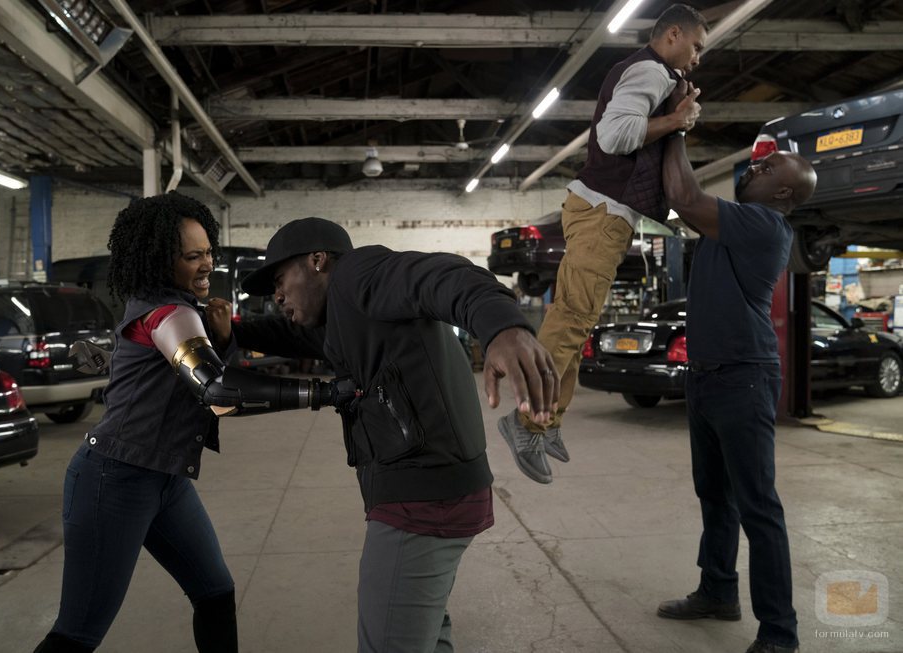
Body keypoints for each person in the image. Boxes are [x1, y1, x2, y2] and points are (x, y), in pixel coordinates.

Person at [206, 217, 559, 653]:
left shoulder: (358, 274)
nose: (276, 295)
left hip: (422, 500)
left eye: (280, 280)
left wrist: (503, 328)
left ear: (318, 260)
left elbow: (442, 276)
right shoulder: (345, 315)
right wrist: (235, 332)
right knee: (425, 634)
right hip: (435, 489)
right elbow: (292, 334)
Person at [498, 3, 707, 484]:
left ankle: (548, 419)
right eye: (696, 46)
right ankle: (525, 423)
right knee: (572, 319)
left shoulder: (652, 73)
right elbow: (614, 136)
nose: (697, 58)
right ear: (673, 34)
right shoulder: (650, 71)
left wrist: (677, 114)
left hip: (600, 209)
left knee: (576, 319)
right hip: (603, 212)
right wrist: (675, 121)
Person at [34, 192, 241, 653]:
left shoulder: (158, 305)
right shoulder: (171, 313)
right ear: (159, 260)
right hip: (115, 479)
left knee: (215, 592)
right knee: (76, 634)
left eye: (208, 251)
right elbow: (218, 395)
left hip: (165, 478)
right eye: (193, 256)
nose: (207, 264)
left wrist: (224, 339)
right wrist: (324, 394)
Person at [655, 82, 817, 653]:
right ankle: (718, 592)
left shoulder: (764, 225)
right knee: (715, 495)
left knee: (758, 506)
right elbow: (684, 197)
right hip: (707, 375)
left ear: (785, 192)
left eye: (769, 168)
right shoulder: (733, 220)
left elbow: (683, 194)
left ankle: (780, 634)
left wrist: (674, 124)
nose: (756, 167)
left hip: (742, 377)